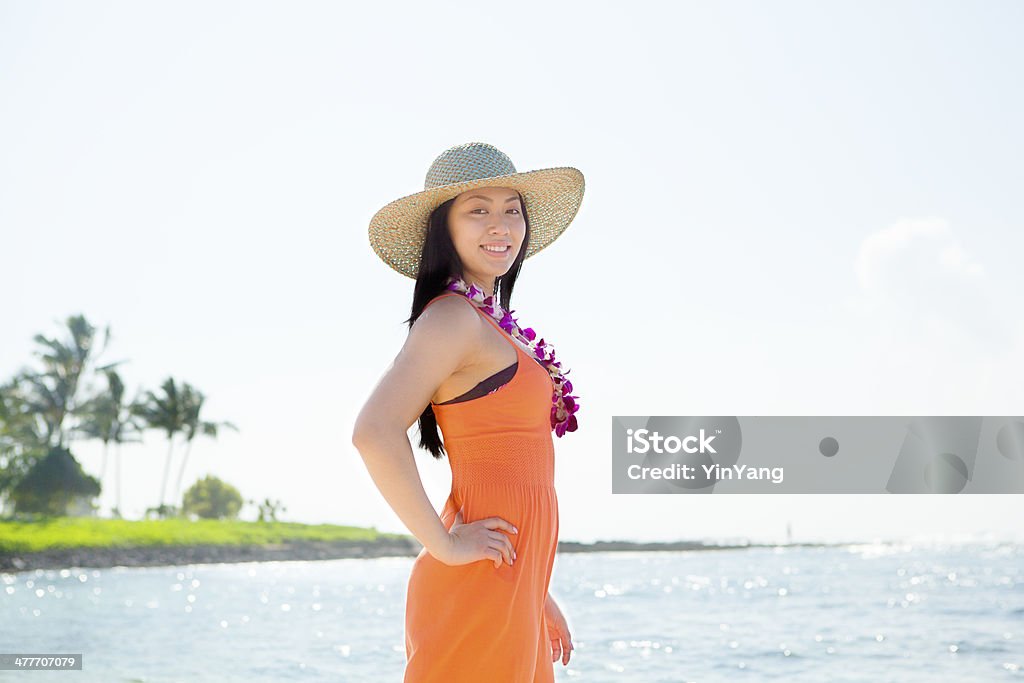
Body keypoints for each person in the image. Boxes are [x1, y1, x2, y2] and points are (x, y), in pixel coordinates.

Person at [352, 142, 585, 682]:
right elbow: (374, 431)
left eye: (512, 209)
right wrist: (445, 546)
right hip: (479, 577)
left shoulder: (489, 321)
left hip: (509, 575)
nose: (500, 224)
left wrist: (536, 589)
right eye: (477, 210)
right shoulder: (453, 319)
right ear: (444, 229)